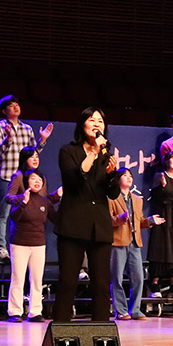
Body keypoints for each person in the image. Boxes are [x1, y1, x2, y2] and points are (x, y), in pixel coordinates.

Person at [53, 107, 121, 323]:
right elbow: (73, 181)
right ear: (82, 125)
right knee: (67, 283)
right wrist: (92, 153)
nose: (96, 124)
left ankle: (100, 333)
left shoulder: (106, 155)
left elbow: (113, 193)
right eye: (92, 120)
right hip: (72, 224)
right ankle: (61, 333)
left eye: (100, 121)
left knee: (101, 285)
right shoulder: (68, 151)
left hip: (99, 227)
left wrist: (111, 174)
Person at [0, 94, 53, 262]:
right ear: (4, 110)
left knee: (25, 211)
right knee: (3, 214)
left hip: (26, 177)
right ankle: (2, 249)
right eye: (11, 105)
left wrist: (43, 140)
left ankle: (18, 245)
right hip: (7, 175)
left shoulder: (27, 128)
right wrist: (8, 139)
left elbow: (33, 153)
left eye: (17, 104)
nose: (16, 107)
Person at [5, 170, 57, 323]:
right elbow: (14, 217)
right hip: (19, 244)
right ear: (27, 182)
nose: (37, 181)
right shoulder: (20, 198)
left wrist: (63, 199)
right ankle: (15, 312)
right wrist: (23, 203)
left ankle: (35, 311)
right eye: (33, 178)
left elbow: (56, 219)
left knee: (36, 279)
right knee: (18, 278)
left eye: (40, 179)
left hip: (38, 245)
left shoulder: (44, 201)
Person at [110, 169, 158, 321]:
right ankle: (121, 310)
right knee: (116, 278)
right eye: (125, 176)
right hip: (118, 242)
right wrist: (119, 219)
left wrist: (150, 221)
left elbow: (139, 221)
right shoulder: (111, 198)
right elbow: (107, 220)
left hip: (134, 242)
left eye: (130, 176)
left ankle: (135, 310)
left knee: (138, 278)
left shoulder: (137, 199)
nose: (129, 178)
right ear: (118, 179)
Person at [146, 150, 173, 297]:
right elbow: (154, 195)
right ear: (167, 161)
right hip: (162, 215)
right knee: (160, 247)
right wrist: (162, 186)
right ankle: (155, 285)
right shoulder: (160, 175)